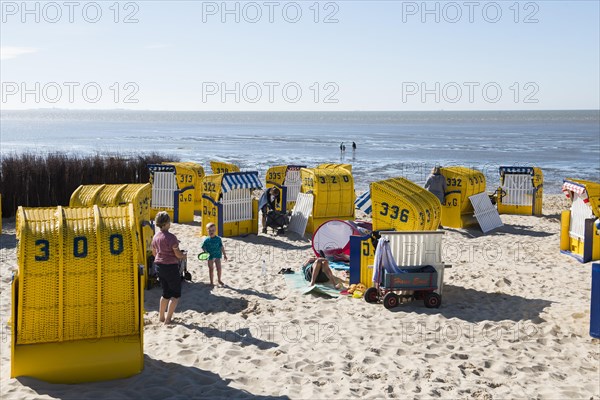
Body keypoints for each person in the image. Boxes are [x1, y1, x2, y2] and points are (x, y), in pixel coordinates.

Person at [152, 211, 186, 324]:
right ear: (166, 223)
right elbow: (178, 255)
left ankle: (161, 317)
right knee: (175, 295)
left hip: (159, 266)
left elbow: (154, 253)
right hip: (170, 267)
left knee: (165, 293)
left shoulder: (155, 236)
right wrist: (183, 256)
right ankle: (168, 319)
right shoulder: (172, 238)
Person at [202, 222, 228, 287]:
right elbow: (203, 247)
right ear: (207, 231)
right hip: (210, 257)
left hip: (217, 256)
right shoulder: (206, 240)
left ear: (215, 230)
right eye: (209, 230)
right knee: (211, 269)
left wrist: (224, 254)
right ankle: (211, 282)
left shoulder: (218, 239)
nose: (211, 232)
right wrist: (205, 253)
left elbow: (221, 247)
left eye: (213, 230)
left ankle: (219, 280)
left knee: (219, 268)